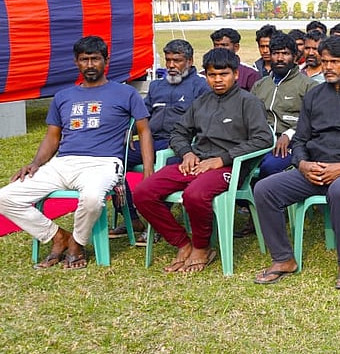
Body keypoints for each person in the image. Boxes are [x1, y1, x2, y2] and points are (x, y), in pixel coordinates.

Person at [0, 36, 155, 269]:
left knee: (92, 199)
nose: (90, 65)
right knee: (6, 197)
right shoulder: (63, 96)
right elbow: (53, 137)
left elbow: (144, 132)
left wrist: (148, 171)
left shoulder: (126, 94)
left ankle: (77, 243)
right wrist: (36, 163)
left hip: (103, 163)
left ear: (106, 60)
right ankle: (58, 237)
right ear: (76, 62)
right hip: (63, 163)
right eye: (84, 60)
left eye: (95, 59)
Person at [252, 36, 340, 290]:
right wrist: (303, 164)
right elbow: (301, 139)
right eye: (324, 61)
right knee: (264, 189)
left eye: (335, 62)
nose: (328, 67)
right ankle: (283, 259)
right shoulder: (314, 95)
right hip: (315, 170)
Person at [133, 48, 274, 273]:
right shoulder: (201, 102)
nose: (217, 80)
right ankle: (182, 243)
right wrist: (187, 152)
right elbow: (178, 132)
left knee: (195, 195)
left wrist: (223, 159)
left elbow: (264, 139)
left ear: (236, 74)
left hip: (230, 167)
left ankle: (201, 247)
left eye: (223, 74)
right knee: (143, 192)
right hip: (197, 162)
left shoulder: (248, 102)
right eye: (212, 75)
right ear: (205, 75)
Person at [115, 38, 210, 238]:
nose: (171, 66)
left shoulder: (201, 87)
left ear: (190, 61)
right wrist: (129, 131)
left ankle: (158, 221)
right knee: (114, 160)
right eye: (168, 60)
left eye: (177, 60)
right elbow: (142, 115)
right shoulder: (157, 86)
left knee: (169, 167)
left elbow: (205, 123)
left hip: (181, 144)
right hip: (151, 140)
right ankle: (130, 217)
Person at [251, 33, 314, 178]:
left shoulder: (308, 85)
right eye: (275, 53)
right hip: (260, 141)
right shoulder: (260, 85)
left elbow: (313, 119)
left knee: (270, 167)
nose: (279, 58)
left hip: (293, 143)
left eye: (285, 54)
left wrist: (288, 134)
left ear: (295, 56)